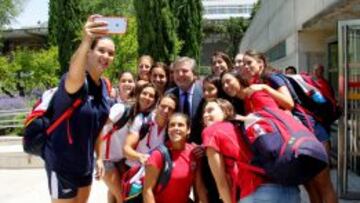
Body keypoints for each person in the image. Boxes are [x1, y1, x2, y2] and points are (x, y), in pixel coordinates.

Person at [240, 50, 337, 203]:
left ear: (261, 63)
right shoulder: (254, 84)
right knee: (310, 186)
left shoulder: (272, 78)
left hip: (312, 133)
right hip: (296, 136)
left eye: (249, 62)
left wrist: (265, 89)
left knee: (323, 186)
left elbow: (288, 103)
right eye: (243, 63)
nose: (245, 66)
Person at [42, 15, 113, 202]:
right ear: (89, 53)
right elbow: (75, 68)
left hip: (85, 165)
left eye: (111, 53)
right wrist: (86, 40)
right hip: (62, 164)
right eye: (101, 50)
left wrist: (99, 158)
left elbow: (99, 127)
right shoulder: (75, 82)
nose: (106, 56)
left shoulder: (105, 87)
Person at [202, 99, 300, 203]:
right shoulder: (245, 125)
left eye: (210, 110)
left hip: (257, 192)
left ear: (225, 111)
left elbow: (221, 182)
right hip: (290, 189)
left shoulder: (211, 131)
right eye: (203, 112)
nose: (205, 115)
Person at [143, 113, 208, 203]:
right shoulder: (158, 154)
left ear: (188, 130)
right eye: (172, 125)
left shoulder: (194, 152)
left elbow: (199, 186)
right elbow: (147, 191)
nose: (176, 128)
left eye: (180, 125)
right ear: (168, 129)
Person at [99, 71, 135, 203]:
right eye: (124, 81)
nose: (127, 84)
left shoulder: (135, 105)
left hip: (121, 158)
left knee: (113, 192)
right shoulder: (112, 103)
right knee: (122, 197)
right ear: (118, 84)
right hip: (106, 158)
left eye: (130, 81)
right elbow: (99, 124)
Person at [123, 93, 177, 166]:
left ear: (174, 112)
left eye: (170, 109)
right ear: (157, 106)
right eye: (163, 106)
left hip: (154, 173)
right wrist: (140, 157)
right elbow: (126, 149)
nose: (166, 111)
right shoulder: (142, 120)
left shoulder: (171, 128)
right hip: (134, 168)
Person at [166, 57, 204, 144]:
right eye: (176, 71)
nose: (180, 74)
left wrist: (203, 146)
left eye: (184, 71)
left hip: (199, 148)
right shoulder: (169, 94)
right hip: (175, 147)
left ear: (194, 74)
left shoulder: (204, 94)